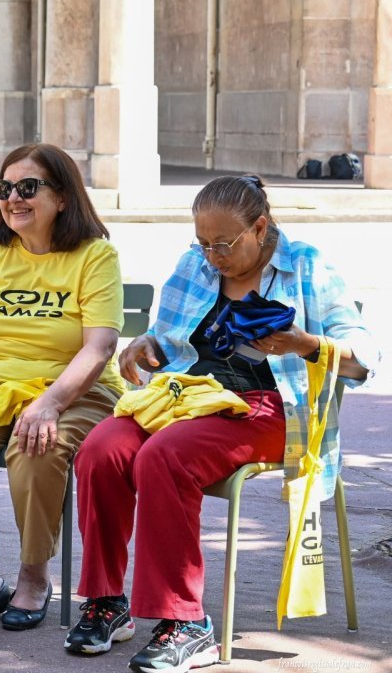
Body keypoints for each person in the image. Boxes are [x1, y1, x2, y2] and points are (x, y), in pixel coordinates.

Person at [66, 175, 376, 673]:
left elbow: (366, 357)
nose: (212, 255)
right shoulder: (196, 264)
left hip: (271, 407)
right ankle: (107, 601)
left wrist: (307, 345)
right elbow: (167, 338)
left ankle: (186, 624)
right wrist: (145, 347)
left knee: (164, 457)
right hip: (187, 397)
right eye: (203, 243)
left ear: (260, 226)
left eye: (223, 244)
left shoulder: (308, 267)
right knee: (102, 448)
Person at [0, 142, 124, 633]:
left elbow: (99, 348)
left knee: (34, 446)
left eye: (28, 187)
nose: (13, 198)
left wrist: (50, 404)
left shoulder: (95, 256)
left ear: (63, 197)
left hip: (73, 389)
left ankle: (34, 574)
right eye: (5, 188)